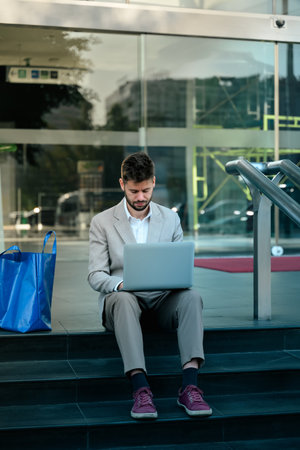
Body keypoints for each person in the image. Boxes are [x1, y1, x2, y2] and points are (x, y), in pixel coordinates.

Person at [88, 151, 212, 420]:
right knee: (121, 299)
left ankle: (190, 386)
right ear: (122, 184)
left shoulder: (170, 219)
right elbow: (95, 275)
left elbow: (179, 266)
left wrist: (175, 280)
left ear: (153, 182)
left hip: (163, 300)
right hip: (123, 300)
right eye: (134, 191)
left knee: (192, 297)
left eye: (145, 189)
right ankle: (140, 389)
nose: (141, 197)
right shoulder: (102, 222)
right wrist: (120, 284)